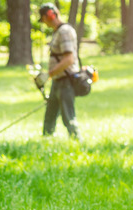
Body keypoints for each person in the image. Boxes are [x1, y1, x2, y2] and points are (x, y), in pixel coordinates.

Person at [36, 3, 80, 140]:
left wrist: (48, 74)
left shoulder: (64, 31)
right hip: (57, 81)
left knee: (68, 115)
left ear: (49, 15)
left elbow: (69, 59)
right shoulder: (57, 32)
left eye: (43, 18)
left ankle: (77, 142)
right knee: (50, 114)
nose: (43, 22)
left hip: (65, 81)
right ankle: (46, 141)